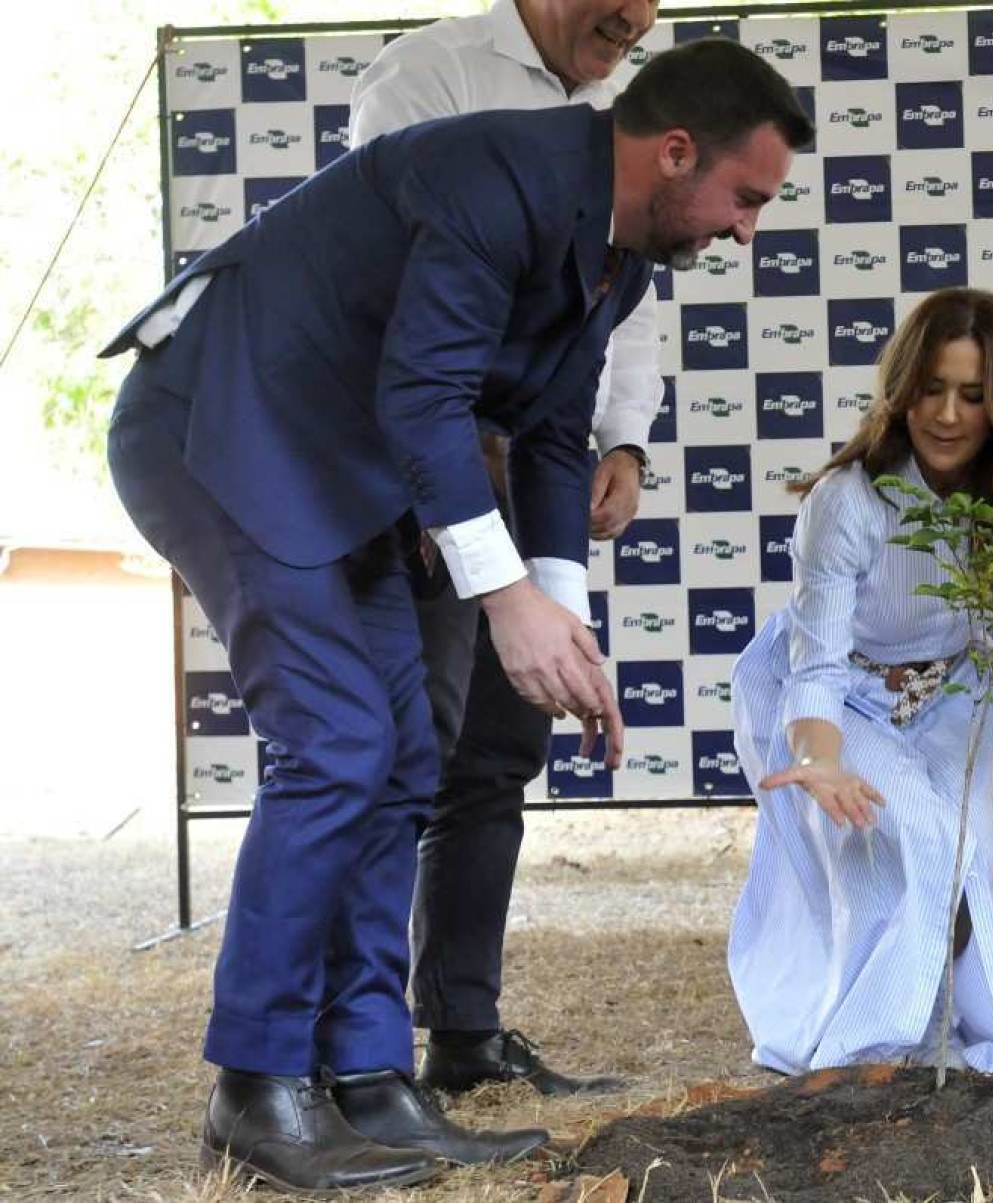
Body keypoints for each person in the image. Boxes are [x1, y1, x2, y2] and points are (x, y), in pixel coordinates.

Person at [103, 38, 811, 1195]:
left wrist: (562, 617)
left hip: (336, 466)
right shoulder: (497, 173)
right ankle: (255, 1087)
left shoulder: (619, 256)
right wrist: (505, 602)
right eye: (746, 199)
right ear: (675, 152)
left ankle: (372, 1080)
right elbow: (424, 395)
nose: (745, 231)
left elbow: (546, 437)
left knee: (404, 756)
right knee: (335, 745)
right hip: (216, 433)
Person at [349, 0, 662, 1098]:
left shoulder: (639, 102)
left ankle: (464, 1035)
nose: (636, 14)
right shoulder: (425, 73)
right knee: (408, 756)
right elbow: (398, 299)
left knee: (499, 756)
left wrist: (621, 438)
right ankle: (362, 1059)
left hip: (541, 458)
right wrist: (480, 456)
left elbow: (629, 303)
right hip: (423, 472)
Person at [727, 287, 993, 1074]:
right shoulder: (845, 501)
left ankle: (943, 1039)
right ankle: (866, 1060)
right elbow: (815, 662)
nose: (948, 414)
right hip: (845, 697)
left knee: (968, 849)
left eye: (974, 395)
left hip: (953, 690)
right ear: (901, 387)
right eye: (931, 388)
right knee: (914, 833)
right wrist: (821, 760)